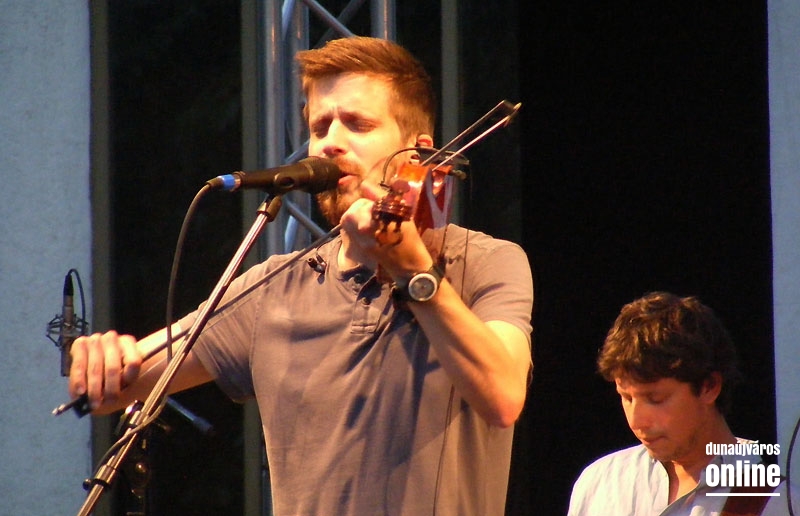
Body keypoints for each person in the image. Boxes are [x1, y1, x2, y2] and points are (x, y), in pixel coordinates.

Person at [68, 36, 534, 515]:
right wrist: (101, 362)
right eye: (319, 126)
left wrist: (414, 270)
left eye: (358, 124)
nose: (331, 141)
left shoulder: (485, 262)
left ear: (417, 155)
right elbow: (115, 388)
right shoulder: (273, 288)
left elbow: (502, 397)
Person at [567, 291, 794, 516]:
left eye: (655, 399)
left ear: (709, 386)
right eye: (626, 397)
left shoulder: (778, 504)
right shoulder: (599, 483)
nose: (636, 421)